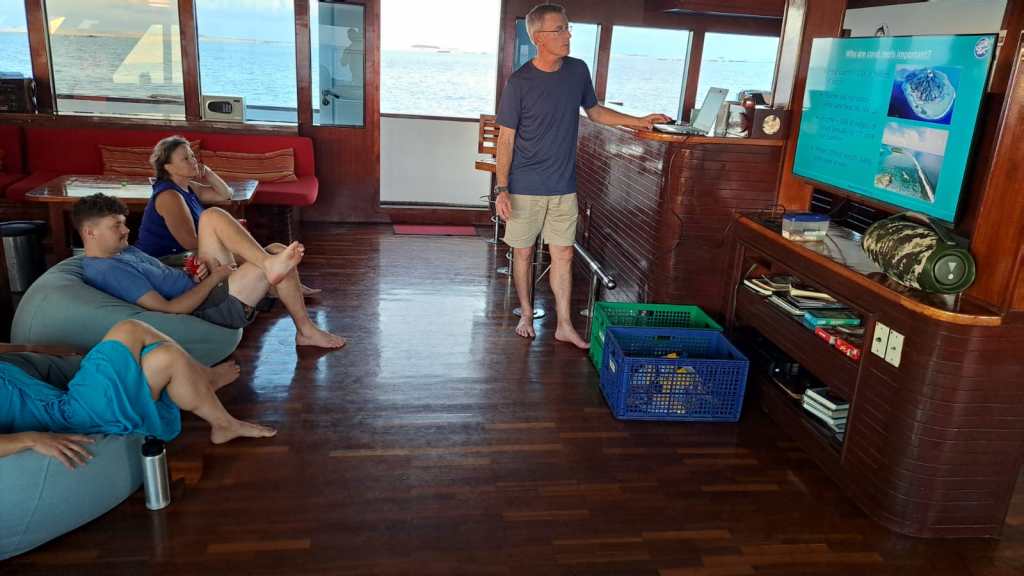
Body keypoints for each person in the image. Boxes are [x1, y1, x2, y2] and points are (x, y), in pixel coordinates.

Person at [494, 3, 671, 348]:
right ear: (539, 38)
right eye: (560, 29)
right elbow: (506, 139)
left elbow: (595, 112)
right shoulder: (520, 82)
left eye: (568, 28)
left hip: (564, 186)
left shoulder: (577, 71)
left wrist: (638, 120)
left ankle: (563, 324)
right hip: (525, 187)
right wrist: (502, 188)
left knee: (564, 254)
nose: (568, 35)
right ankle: (527, 313)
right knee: (525, 253)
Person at [74, 193, 346, 349]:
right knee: (275, 252)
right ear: (90, 232)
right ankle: (305, 329)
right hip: (209, 305)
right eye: (117, 226)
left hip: (199, 284)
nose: (126, 230)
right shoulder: (108, 270)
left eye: (123, 224)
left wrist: (194, 270)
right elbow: (169, 310)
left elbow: (163, 277)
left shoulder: (122, 251)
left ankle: (271, 271)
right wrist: (215, 277)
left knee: (211, 217)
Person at [0, 320, 276, 457]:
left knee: (159, 351)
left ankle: (216, 409)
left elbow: (19, 350)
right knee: (142, 338)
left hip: (68, 397)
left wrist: (39, 348)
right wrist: (32, 439)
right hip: (69, 418)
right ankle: (209, 389)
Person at [135, 135, 320, 297]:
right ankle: (278, 288)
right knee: (258, 255)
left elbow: (226, 194)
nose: (193, 160)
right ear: (168, 167)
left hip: (191, 253)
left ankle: (284, 287)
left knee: (275, 250)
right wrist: (231, 244)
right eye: (185, 159)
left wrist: (207, 172)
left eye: (192, 155)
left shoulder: (189, 187)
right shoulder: (170, 196)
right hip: (166, 262)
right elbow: (190, 243)